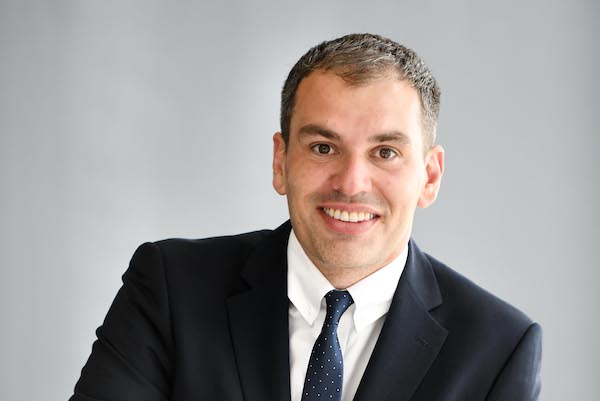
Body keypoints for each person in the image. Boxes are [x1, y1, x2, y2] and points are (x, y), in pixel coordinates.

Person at [70, 33, 542, 401]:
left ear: (430, 177)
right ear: (281, 162)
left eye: (385, 152)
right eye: (323, 147)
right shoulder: (171, 289)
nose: (351, 183)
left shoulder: (498, 347)